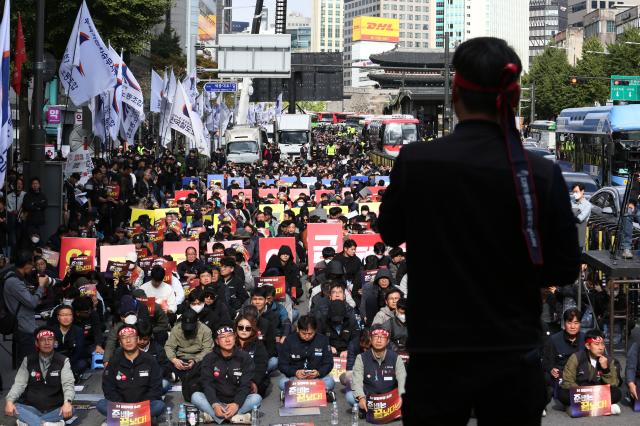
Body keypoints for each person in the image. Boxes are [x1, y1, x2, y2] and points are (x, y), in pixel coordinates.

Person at [377, 37, 580, 424]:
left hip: (438, 352)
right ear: (514, 98)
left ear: (455, 92)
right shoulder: (540, 173)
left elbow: (389, 231)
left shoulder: (418, 161)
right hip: (513, 351)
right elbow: (564, 267)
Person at [191, 325, 262, 424]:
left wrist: (236, 404)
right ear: (217, 341)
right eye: (223, 337)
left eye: (230, 336)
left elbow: (245, 385)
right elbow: (207, 383)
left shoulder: (245, 357)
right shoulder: (209, 358)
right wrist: (215, 404)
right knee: (196, 396)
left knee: (256, 398)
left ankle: (214, 417)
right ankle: (235, 418)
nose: (227, 340)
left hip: (237, 401)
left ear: (234, 338)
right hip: (216, 400)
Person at [4, 326, 75, 426]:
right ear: (37, 343)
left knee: (71, 409)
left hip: (55, 409)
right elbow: (19, 384)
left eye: (50, 339)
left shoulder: (63, 360)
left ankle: (29, 422)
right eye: (42, 340)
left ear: (54, 342)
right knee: (15, 406)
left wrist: (67, 402)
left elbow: (68, 384)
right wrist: (9, 400)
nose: (47, 343)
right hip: (32, 408)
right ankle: (46, 424)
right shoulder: (28, 360)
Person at [99, 324, 165, 421]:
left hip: (143, 405)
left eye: (131, 336)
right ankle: (139, 418)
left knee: (159, 405)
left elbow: (156, 387)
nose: (128, 340)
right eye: (124, 338)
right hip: (122, 406)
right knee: (101, 404)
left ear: (137, 339)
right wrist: (124, 405)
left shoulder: (150, 360)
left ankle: (127, 419)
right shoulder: (114, 362)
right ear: (120, 342)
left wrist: (141, 405)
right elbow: (108, 388)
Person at [4, 249, 53, 361]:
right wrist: (41, 286)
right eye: (32, 265)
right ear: (26, 264)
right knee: (28, 361)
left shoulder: (16, 276)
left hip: (24, 322)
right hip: (23, 326)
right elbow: (32, 303)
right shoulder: (14, 281)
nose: (33, 268)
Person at [559, 329, 621, 414]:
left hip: (598, 392)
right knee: (562, 394)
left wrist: (605, 369)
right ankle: (605, 407)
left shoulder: (608, 360)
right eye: (596, 344)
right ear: (588, 346)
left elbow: (614, 383)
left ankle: (578, 408)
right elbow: (568, 380)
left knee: (617, 393)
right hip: (581, 391)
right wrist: (583, 392)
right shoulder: (576, 357)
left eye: (602, 344)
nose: (601, 347)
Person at [346, 327, 406, 412]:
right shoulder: (361, 358)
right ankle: (366, 407)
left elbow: (402, 378)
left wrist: (401, 395)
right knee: (350, 397)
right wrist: (361, 397)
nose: (379, 340)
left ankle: (374, 409)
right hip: (369, 396)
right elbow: (357, 380)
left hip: (389, 396)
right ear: (370, 339)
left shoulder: (396, 358)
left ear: (388, 341)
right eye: (376, 337)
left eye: (382, 337)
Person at [277, 315, 335, 400]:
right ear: (298, 330)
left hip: (316, 378)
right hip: (296, 378)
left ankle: (294, 393)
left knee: (330, 382)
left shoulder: (323, 340)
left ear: (315, 330)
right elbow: (282, 364)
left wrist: (318, 372)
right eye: (303, 333)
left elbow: (329, 363)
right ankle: (319, 393)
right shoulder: (289, 340)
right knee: (282, 382)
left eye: (310, 334)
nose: (307, 336)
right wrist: (295, 372)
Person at [542, 308, 585, 401]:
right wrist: (551, 369)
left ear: (580, 324)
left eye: (576, 323)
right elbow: (546, 361)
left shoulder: (586, 339)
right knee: (544, 377)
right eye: (569, 323)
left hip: (581, 375)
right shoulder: (554, 339)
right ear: (564, 323)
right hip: (561, 376)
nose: (572, 326)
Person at [164, 307, 213, 380]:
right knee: (164, 362)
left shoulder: (205, 330)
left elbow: (207, 349)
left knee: (207, 364)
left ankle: (184, 375)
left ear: (197, 321)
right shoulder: (176, 328)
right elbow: (169, 346)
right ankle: (179, 375)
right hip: (180, 357)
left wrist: (195, 360)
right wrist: (174, 359)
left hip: (198, 359)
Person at [235, 314, 270, 396]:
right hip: (232, 380)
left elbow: (261, 366)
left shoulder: (258, 344)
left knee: (255, 398)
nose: (244, 330)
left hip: (251, 380)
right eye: (240, 327)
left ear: (252, 329)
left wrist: (253, 381)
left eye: (247, 328)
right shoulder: (229, 342)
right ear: (236, 328)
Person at [51, 304, 88, 380]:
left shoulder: (78, 331)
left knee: (82, 363)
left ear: (72, 317)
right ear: (58, 317)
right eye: (63, 315)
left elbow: (79, 351)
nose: (66, 317)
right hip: (56, 362)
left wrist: (67, 364)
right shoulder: (52, 331)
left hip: (72, 362)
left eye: (69, 315)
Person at [571, 183, 591, 253]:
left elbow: (579, 219)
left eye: (577, 192)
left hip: (579, 237)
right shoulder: (571, 202)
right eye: (573, 192)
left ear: (582, 191)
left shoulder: (587, 205)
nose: (575, 194)